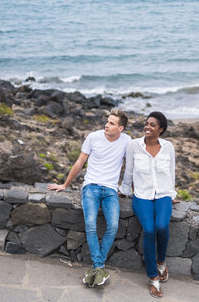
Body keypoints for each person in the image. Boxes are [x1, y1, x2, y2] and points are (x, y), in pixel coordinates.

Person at [48, 109, 131, 287]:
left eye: (111, 123)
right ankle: (98, 266)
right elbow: (79, 162)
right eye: (107, 121)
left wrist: (129, 189)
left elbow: (132, 167)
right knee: (90, 224)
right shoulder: (93, 137)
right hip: (91, 187)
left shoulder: (127, 141)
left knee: (114, 225)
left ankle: (97, 268)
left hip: (110, 190)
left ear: (121, 128)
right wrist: (65, 185)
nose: (106, 125)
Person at [120, 111, 176, 299]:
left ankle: (161, 262)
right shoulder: (134, 146)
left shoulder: (168, 147)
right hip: (141, 196)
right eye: (146, 123)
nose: (147, 127)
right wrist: (124, 190)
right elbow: (128, 172)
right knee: (149, 230)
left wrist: (171, 194)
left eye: (152, 125)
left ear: (160, 129)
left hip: (163, 195)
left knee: (162, 226)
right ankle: (153, 277)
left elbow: (171, 172)